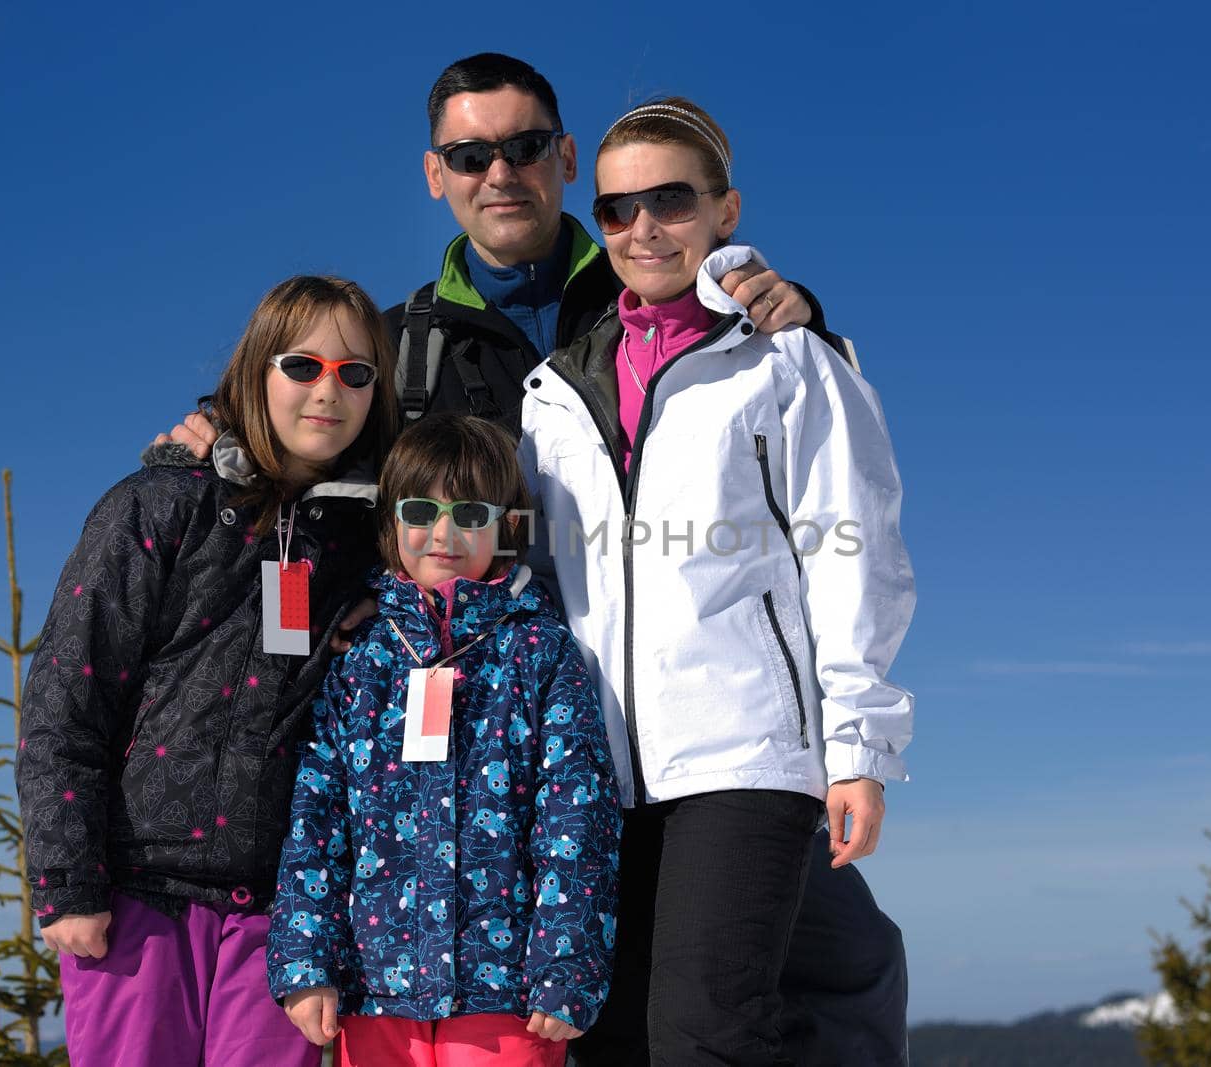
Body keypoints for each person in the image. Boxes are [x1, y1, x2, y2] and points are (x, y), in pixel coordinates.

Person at [164, 53, 910, 1063]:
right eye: (470, 154)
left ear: (562, 158)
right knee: (607, 1008)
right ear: (437, 174)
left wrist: (789, 308)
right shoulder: (405, 346)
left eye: (522, 147)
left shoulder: (652, 285)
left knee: (835, 964)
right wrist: (222, 421)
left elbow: (820, 481)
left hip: (711, 718)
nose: (499, 171)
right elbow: (315, 412)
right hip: (518, 739)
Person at [520, 97, 915, 1067]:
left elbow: (852, 548)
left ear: (724, 211)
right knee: (608, 1034)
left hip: (740, 751)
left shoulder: (784, 361)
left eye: (670, 199)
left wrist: (858, 740)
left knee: (705, 1031)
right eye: (616, 209)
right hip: (595, 766)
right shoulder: (555, 394)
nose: (643, 227)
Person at [16, 275, 399, 1067]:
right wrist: (67, 881)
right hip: (135, 891)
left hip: (279, 912)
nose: (327, 390)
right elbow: (65, 692)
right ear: (258, 370)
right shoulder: (160, 505)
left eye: (354, 373)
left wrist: (383, 605)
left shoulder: (367, 545)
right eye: (303, 365)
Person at [266, 414, 621, 1067]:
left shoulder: (538, 650)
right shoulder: (360, 658)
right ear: (392, 523)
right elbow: (315, 819)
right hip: (375, 987)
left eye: (470, 512)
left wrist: (566, 962)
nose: (444, 532)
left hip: (503, 991)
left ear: (508, 525)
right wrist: (307, 957)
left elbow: (578, 816)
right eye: (422, 509)